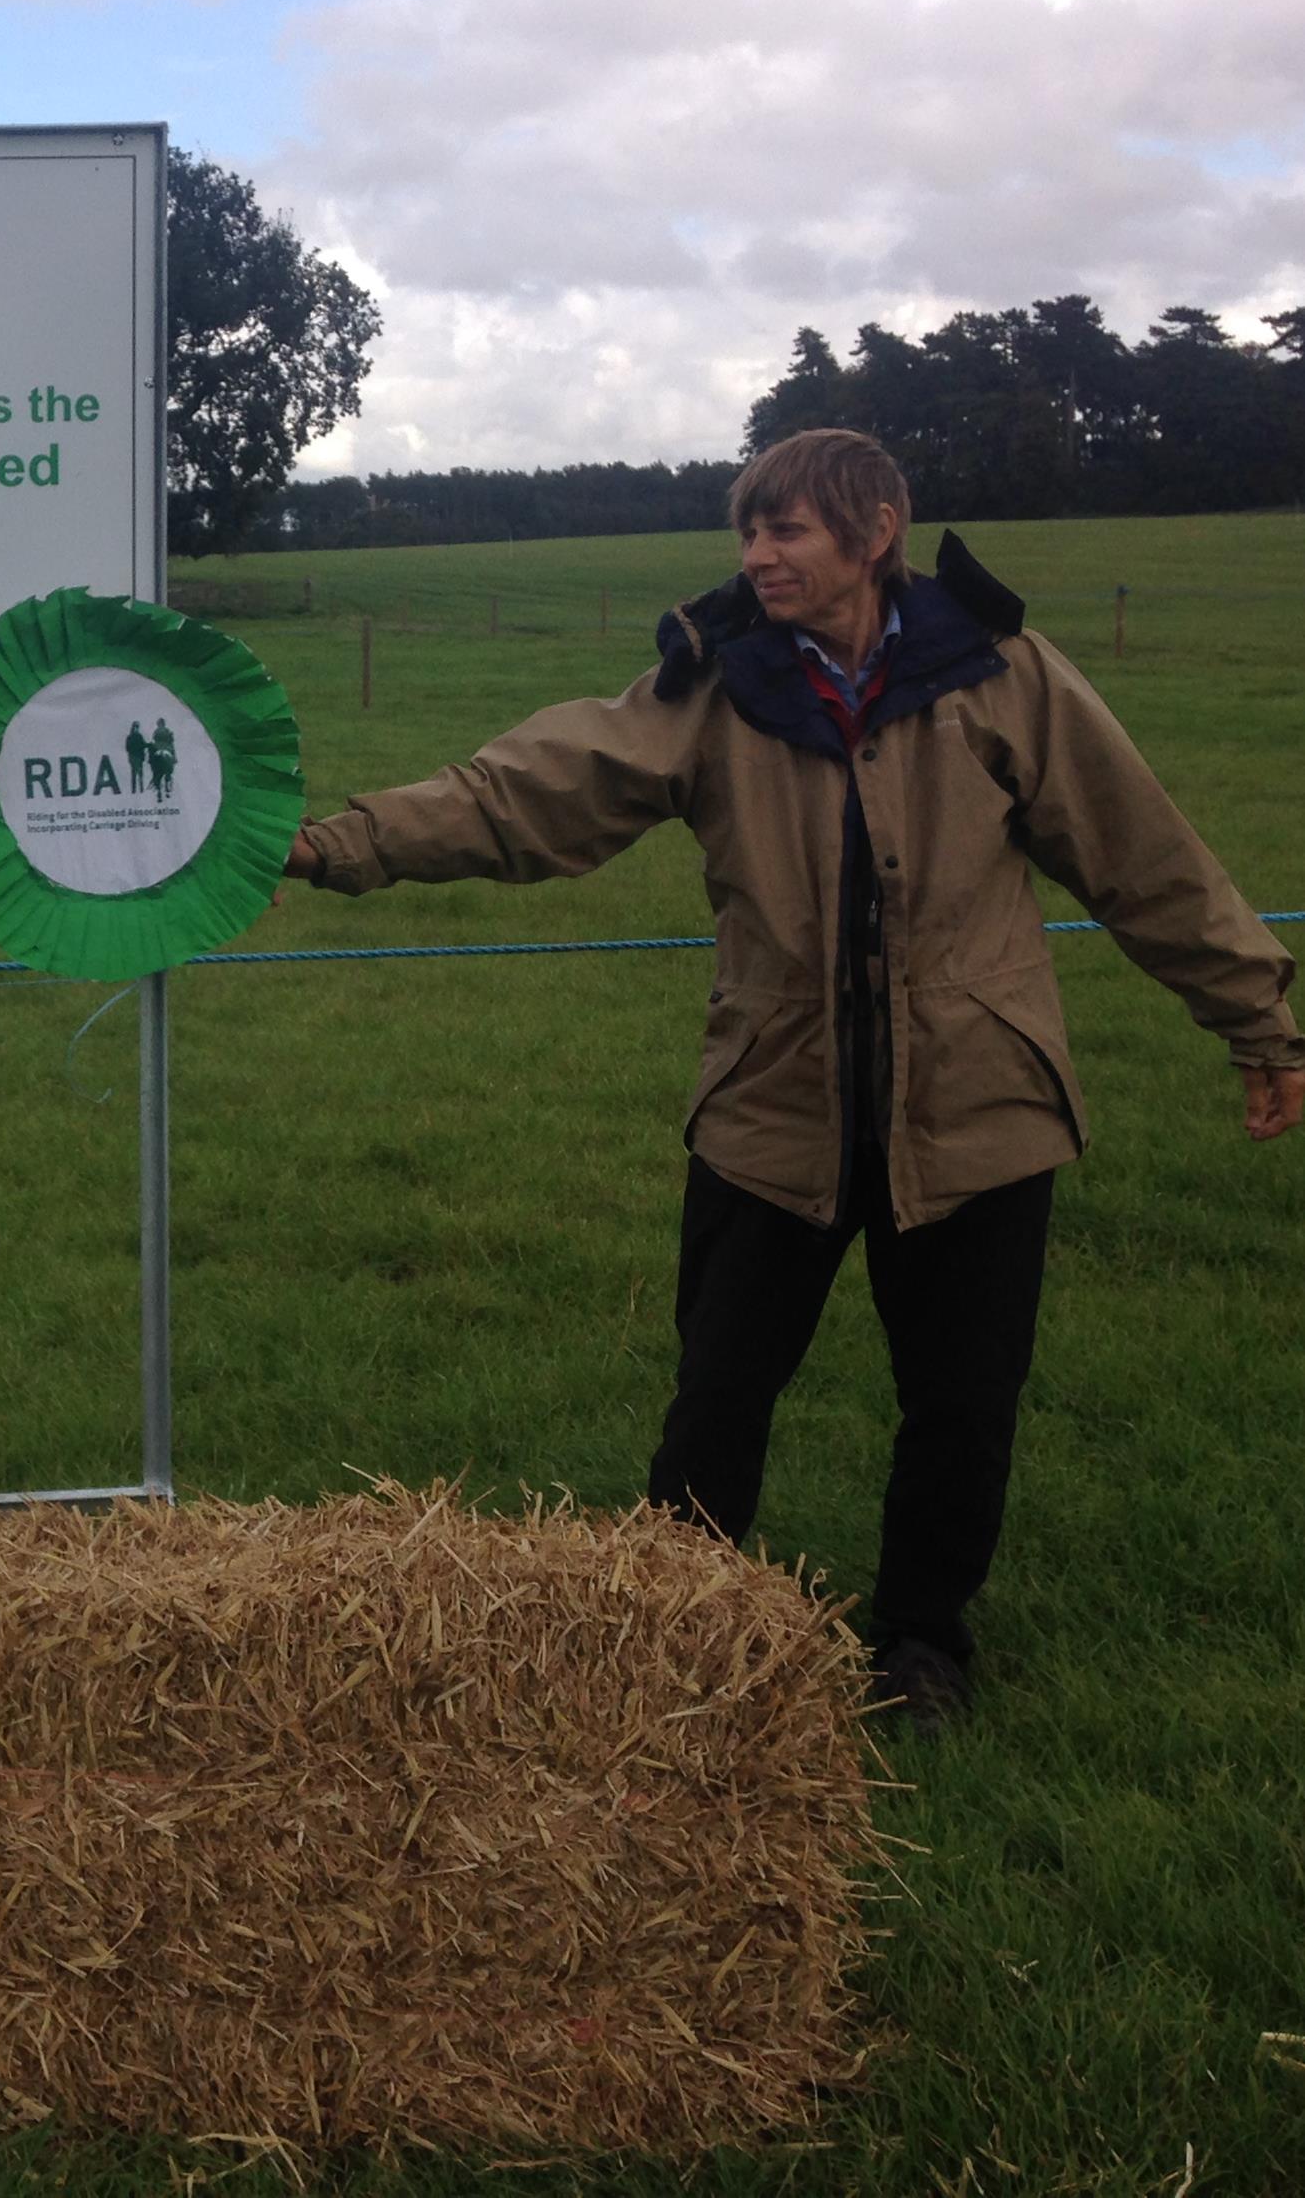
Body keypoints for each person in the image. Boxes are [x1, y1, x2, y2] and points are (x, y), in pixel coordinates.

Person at [284, 430, 1301, 1729]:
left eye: (787, 531)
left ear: (873, 531)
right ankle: (666, 1618)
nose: (757, 554)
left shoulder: (998, 675)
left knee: (959, 1403)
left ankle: (921, 1644)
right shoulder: (714, 688)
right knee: (715, 1391)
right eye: (748, 531)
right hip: (771, 1105)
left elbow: (1139, 852)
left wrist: (1256, 1022)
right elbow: (519, 795)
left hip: (979, 1108)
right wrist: (327, 846)